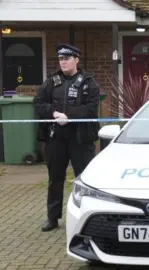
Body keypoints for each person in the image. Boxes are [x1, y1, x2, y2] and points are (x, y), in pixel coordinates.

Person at [34, 44, 100, 232]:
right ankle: (52, 218)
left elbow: (91, 107)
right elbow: (38, 103)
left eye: (67, 58)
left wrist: (68, 116)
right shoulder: (51, 82)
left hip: (81, 138)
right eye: (61, 59)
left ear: (76, 60)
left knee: (84, 179)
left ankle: (87, 218)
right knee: (55, 178)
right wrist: (54, 113)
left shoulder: (88, 82)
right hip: (56, 138)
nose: (63, 62)